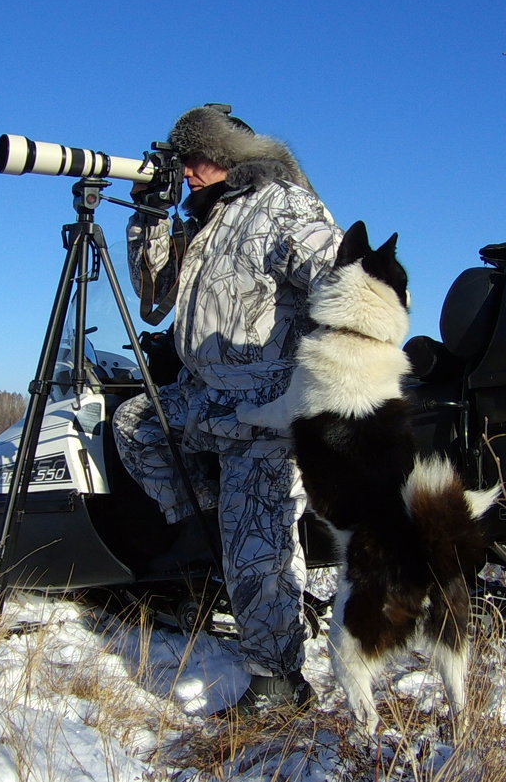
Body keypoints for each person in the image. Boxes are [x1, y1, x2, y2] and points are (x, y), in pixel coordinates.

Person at [112, 105, 342, 715]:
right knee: (136, 423)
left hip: (265, 409)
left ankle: (278, 680)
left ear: (229, 155)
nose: (186, 170)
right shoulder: (206, 223)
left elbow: (343, 279)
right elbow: (156, 299)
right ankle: (223, 532)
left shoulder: (283, 206)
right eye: (180, 160)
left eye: (195, 158)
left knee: (257, 544)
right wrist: (149, 216)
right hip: (204, 399)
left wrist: (333, 385)